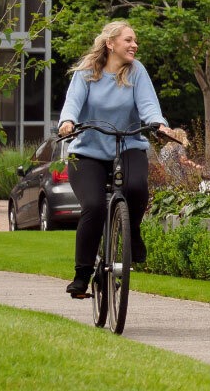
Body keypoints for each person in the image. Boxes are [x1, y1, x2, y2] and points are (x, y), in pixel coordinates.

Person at [58, 21, 178, 298]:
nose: (134, 45)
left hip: (128, 145)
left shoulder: (137, 72)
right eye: (128, 40)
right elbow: (72, 103)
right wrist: (67, 122)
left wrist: (158, 124)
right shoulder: (87, 72)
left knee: (136, 187)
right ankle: (82, 275)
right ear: (110, 44)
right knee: (94, 206)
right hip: (87, 152)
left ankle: (131, 232)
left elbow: (149, 105)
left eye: (135, 41)